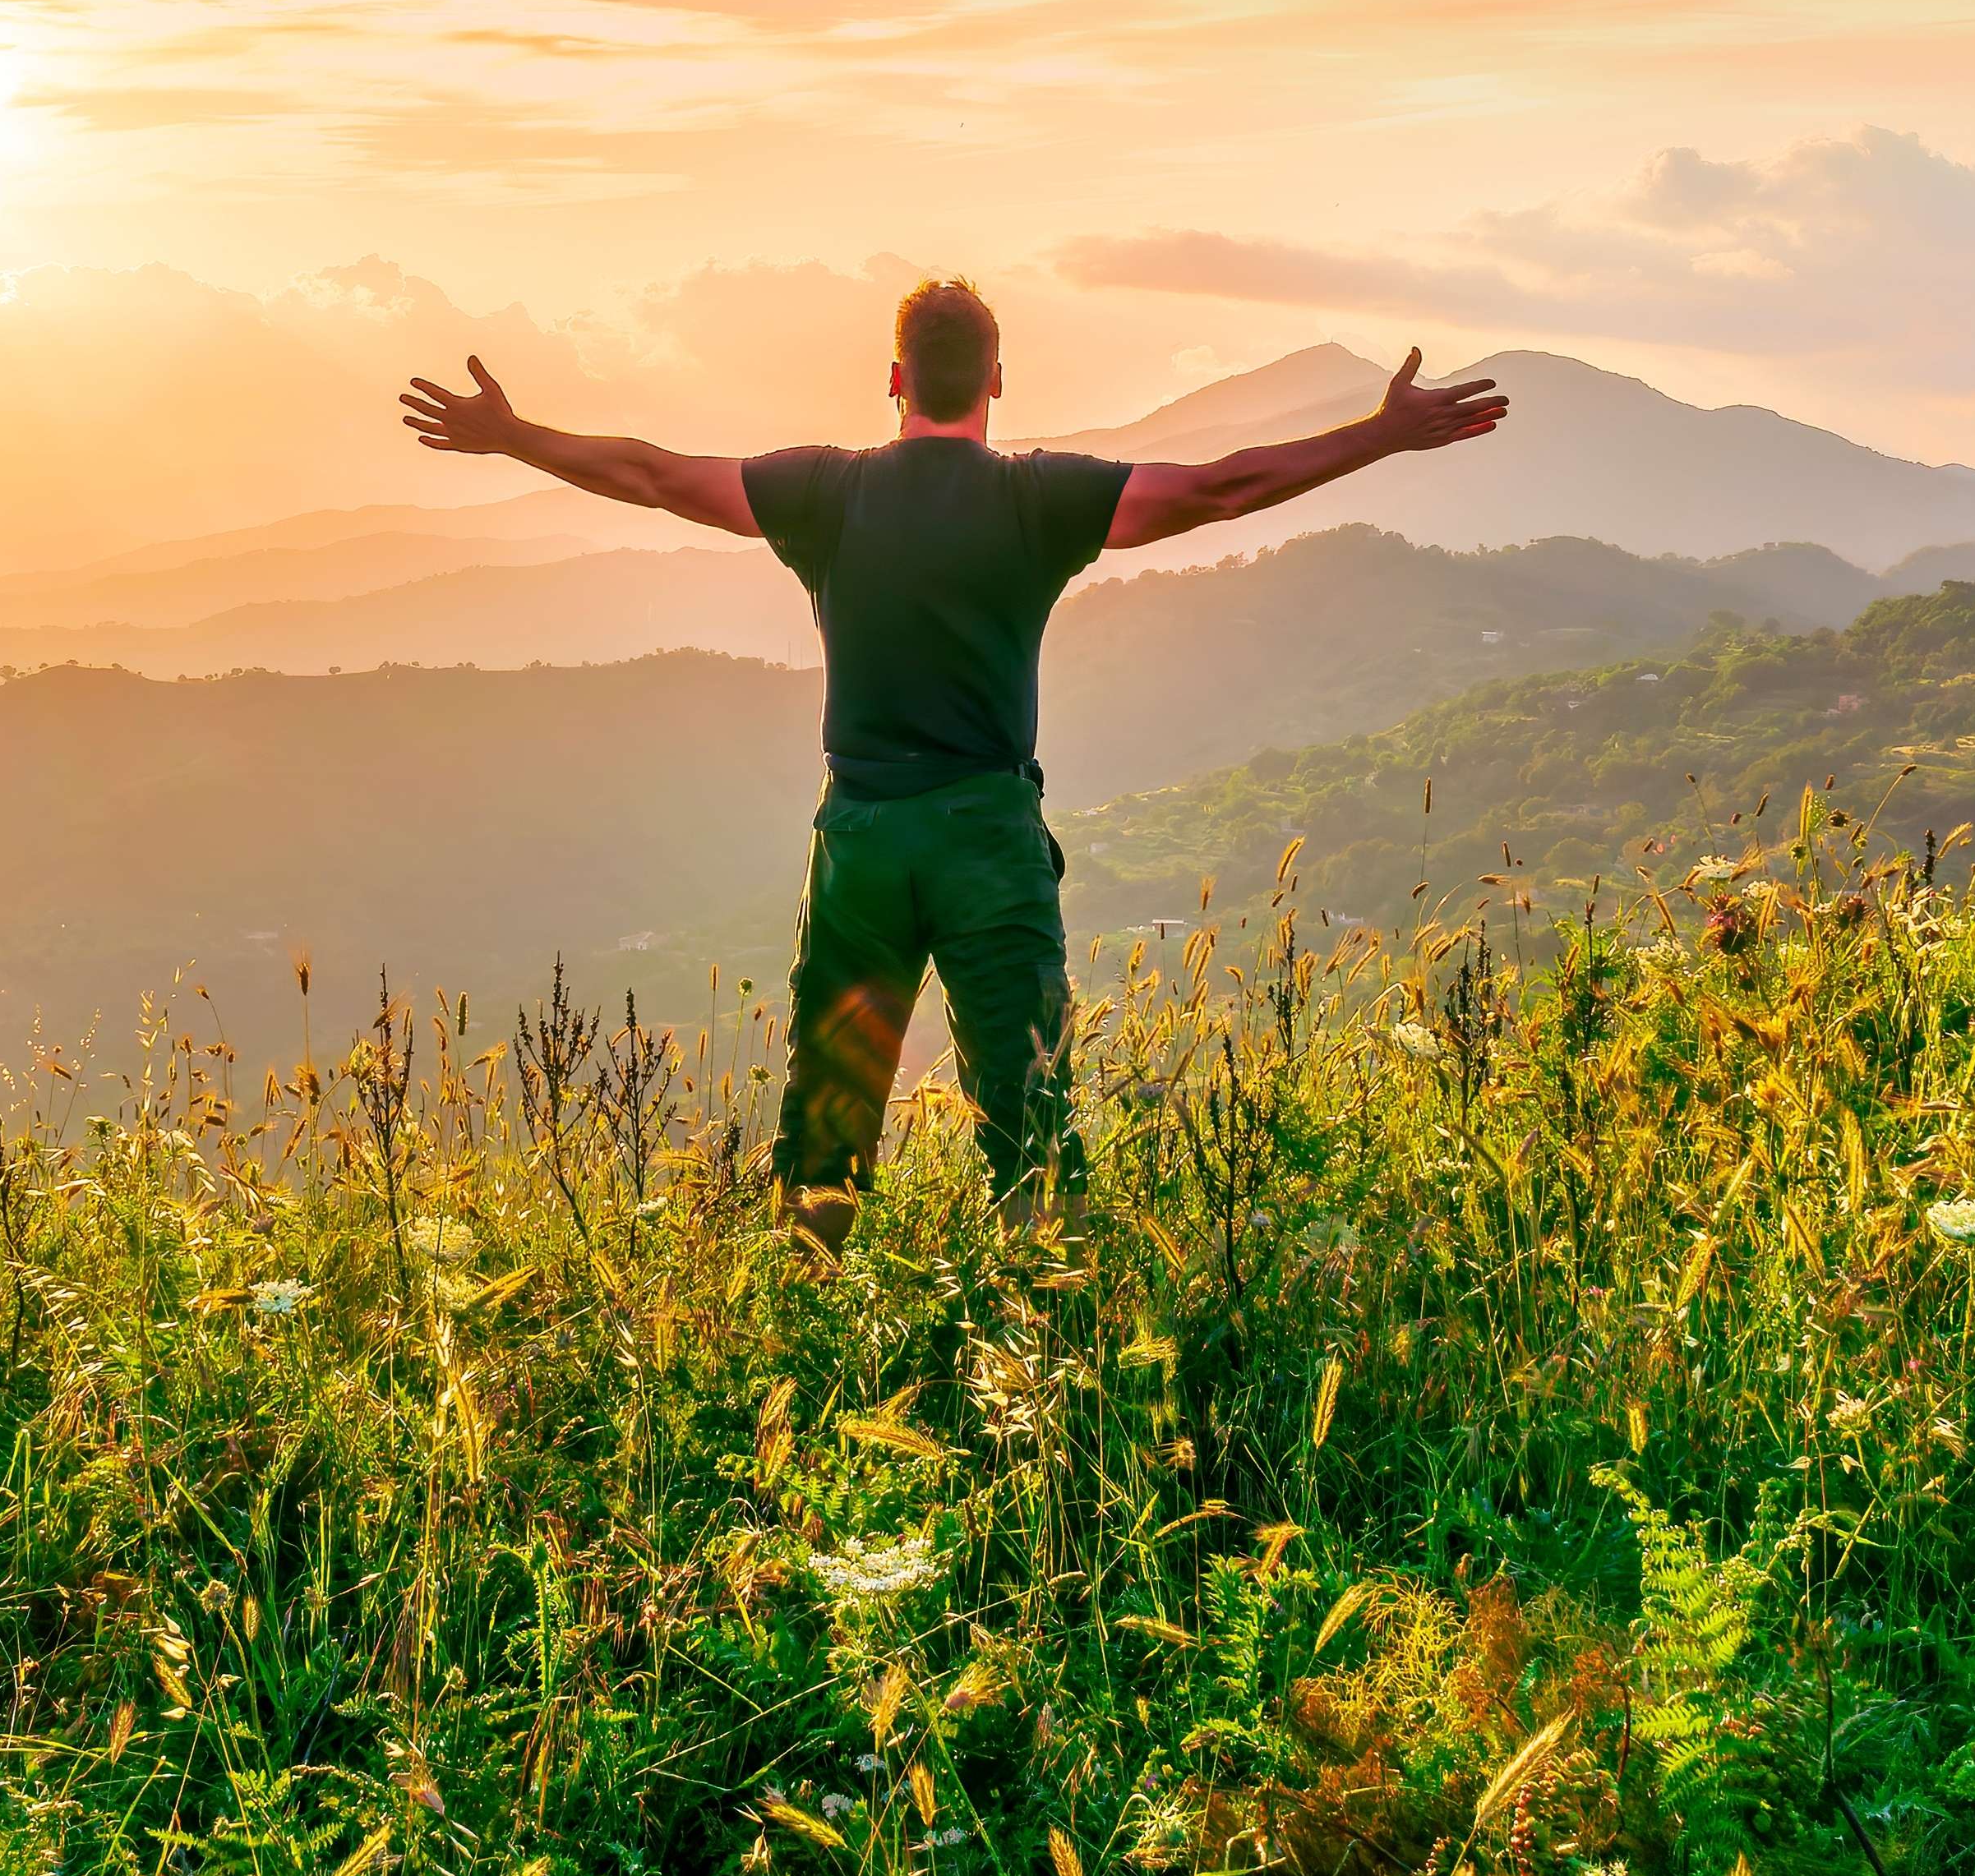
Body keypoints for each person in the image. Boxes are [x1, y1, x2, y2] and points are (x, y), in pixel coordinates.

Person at [398, 279, 1512, 1248]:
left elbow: (653, 474)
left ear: (894, 379)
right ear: (997, 381)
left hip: (862, 842)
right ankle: (1046, 1352)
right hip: (988, 840)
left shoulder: (824, 491)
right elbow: (1221, 487)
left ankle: (806, 1344)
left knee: (827, 1132)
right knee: (1032, 1126)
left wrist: (516, 436)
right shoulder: (1039, 497)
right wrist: (1381, 434)